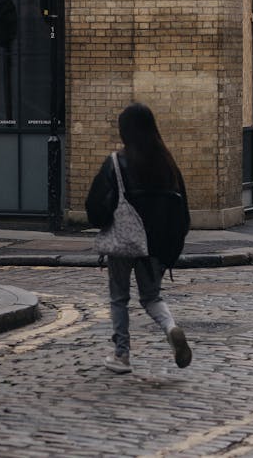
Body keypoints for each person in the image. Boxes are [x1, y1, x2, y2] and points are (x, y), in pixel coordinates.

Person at [86, 102, 192, 374]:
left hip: (123, 243)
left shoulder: (116, 163)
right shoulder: (168, 165)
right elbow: (183, 213)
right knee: (152, 297)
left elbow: (95, 208)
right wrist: (171, 249)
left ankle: (121, 356)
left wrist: (104, 219)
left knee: (119, 298)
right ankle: (171, 327)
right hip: (156, 246)